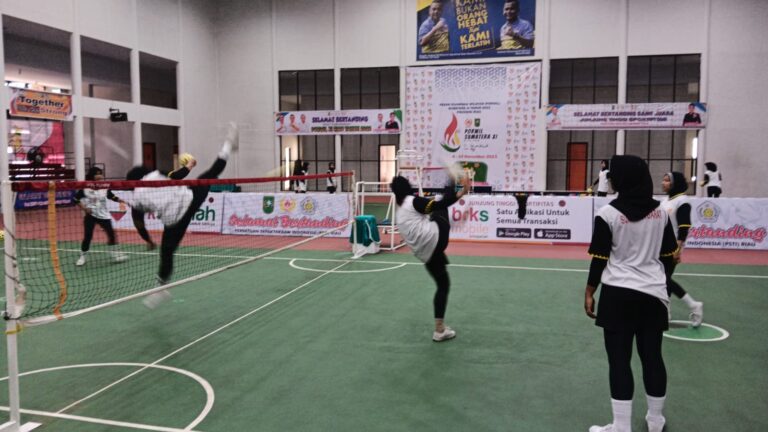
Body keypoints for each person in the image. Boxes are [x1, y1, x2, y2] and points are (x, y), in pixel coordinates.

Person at [584, 155, 678, 432]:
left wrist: (590, 291)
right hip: (653, 297)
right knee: (652, 358)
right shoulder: (661, 213)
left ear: (624, 179)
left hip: (617, 296)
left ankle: (621, 426)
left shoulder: (607, 215)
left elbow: (599, 259)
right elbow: (669, 257)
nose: (610, 178)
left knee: (619, 361)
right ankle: (655, 421)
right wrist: (658, 280)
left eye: (614, 174)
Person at [126, 122, 239, 308]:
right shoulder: (156, 174)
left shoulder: (136, 197)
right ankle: (228, 145)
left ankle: (160, 288)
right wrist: (190, 167)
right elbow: (176, 175)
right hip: (189, 199)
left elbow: (138, 222)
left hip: (174, 221)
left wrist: (148, 240)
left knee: (166, 253)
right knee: (211, 173)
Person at [390, 173, 470, 342]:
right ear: (407, 188)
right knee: (440, 206)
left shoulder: (399, 212)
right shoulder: (412, 201)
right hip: (436, 240)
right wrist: (460, 191)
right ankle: (453, 179)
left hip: (426, 254)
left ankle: (439, 330)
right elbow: (441, 203)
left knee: (443, 285)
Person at [661, 172, 704, 327]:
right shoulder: (665, 200)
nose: (663, 182)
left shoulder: (682, 201)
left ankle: (693, 305)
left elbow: (684, 227)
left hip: (671, 248)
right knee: (664, 281)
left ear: (674, 183)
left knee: (662, 279)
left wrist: (678, 250)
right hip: (660, 247)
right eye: (664, 180)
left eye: (667, 180)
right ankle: (666, 313)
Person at [74, 166, 129, 266]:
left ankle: (115, 254)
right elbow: (75, 199)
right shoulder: (85, 187)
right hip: (91, 215)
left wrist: (120, 200)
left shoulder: (104, 186)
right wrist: (85, 208)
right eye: (97, 174)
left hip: (104, 215)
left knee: (111, 234)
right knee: (88, 237)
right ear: (92, 176)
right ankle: (82, 257)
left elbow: (111, 196)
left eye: (101, 174)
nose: (100, 176)